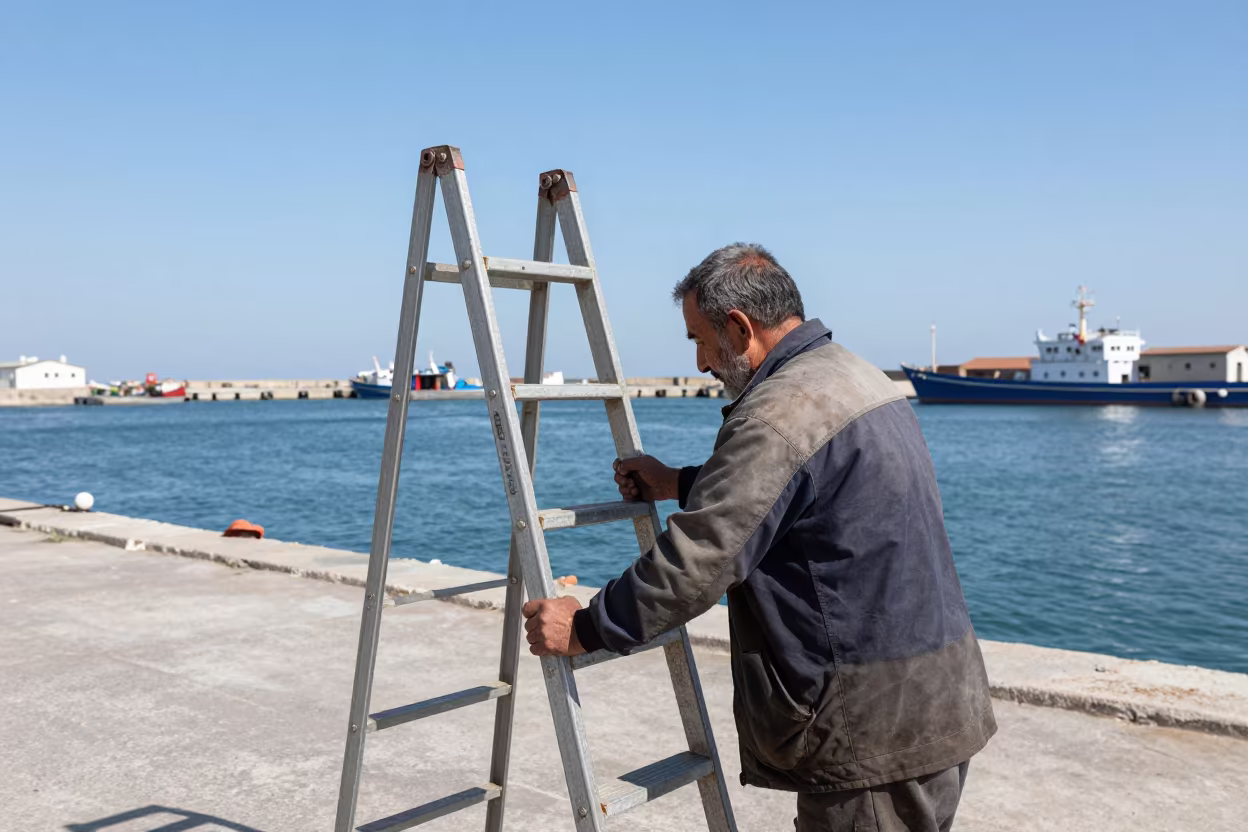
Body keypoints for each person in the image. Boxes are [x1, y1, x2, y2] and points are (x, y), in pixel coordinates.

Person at [523, 243, 995, 831]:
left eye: (699, 339)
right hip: (934, 698)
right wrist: (680, 481)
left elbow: (694, 565)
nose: (700, 363)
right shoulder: (853, 376)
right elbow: (808, 494)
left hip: (870, 725)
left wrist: (585, 627)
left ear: (740, 327)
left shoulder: (779, 412)